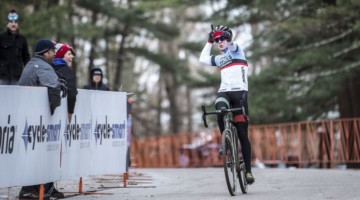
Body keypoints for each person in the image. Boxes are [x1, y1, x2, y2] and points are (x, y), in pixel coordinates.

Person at [199, 25, 255, 184]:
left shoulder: (238, 51)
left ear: (228, 39)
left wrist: (227, 36)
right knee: (220, 110)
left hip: (240, 94)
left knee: (243, 134)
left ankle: (249, 172)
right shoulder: (219, 58)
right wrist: (209, 41)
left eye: (222, 39)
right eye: (217, 40)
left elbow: (233, 44)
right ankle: (227, 144)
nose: (220, 42)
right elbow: (202, 59)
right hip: (225, 91)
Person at [18, 38, 65, 199]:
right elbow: (53, 88)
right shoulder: (42, 66)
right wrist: (53, 111)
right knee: (39, 153)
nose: (54, 53)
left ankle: (44, 187)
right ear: (46, 53)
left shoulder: (32, 64)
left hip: (29, 117)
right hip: (38, 120)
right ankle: (30, 190)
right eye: (52, 51)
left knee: (39, 153)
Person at [0, 9, 30, 85]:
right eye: (11, 22)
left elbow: (26, 57)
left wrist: (27, 72)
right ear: (7, 23)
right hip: (2, 77)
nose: (13, 24)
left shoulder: (22, 39)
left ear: (18, 24)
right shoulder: (1, 37)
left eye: (15, 22)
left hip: (17, 77)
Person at [53, 42, 78, 122]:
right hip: (61, 117)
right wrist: (70, 111)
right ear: (61, 56)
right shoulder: (67, 71)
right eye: (69, 54)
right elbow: (72, 93)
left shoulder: (48, 68)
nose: (72, 56)